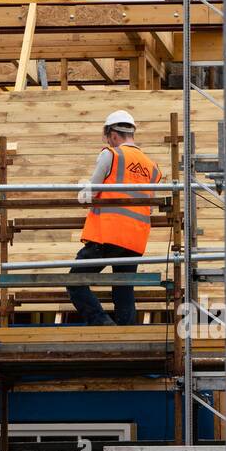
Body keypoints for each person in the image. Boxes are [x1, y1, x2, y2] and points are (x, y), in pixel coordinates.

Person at [67, 110, 162, 326]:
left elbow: (90, 194)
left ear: (113, 134)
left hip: (108, 234)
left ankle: (103, 324)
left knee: (74, 281)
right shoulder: (152, 166)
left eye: (108, 137)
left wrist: (82, 190)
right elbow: (150, 207)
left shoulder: (112, 154)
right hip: (135, 239)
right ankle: (127, 332)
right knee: (123, 286)